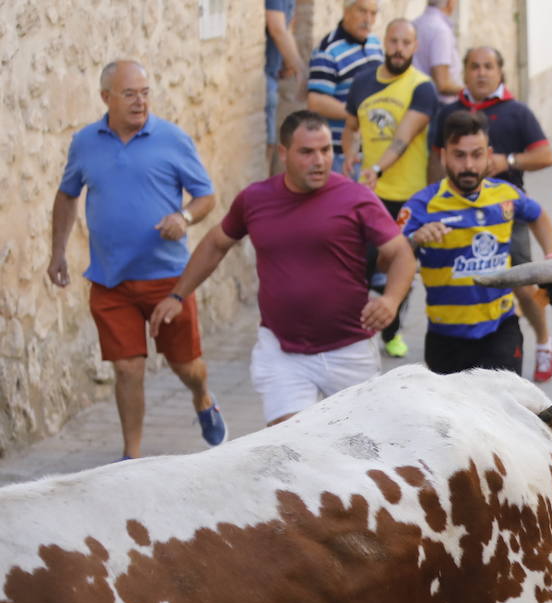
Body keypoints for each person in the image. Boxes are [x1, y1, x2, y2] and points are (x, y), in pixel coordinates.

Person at [153, 111, 415, 426]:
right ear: (283, 153)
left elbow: (400, 253)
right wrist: (178, 296)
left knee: (361, 447)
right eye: (307, 152)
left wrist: (390, 300)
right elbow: (215, 243)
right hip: (282, 350)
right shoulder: (255, 200)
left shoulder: (355, 197)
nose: (319, 160)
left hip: (349, 348)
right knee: (289, 447)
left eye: (326, 150)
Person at [48, 60, 226, 460]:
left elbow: (206, 197)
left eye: (145, 92)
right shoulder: (85, 143)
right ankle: (132, 458)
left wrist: (184, 218)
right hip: (111, 281)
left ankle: (203, 397)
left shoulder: (173, 139)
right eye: (129, 94)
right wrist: (58, 250)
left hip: (169, 280)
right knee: (128, 369)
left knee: (187, 367)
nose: (140, 101)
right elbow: (67, 194)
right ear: (105, 98)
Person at [430, 47, 552, 381]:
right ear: (466, 71)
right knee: (460, 276)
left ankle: (543, 341)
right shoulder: (450, 112)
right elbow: (435, 157)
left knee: (523, 283)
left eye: (489, 66)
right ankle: (469, 337)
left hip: (507, 213)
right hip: (457, 210)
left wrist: (509, 161)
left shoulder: (516, 112)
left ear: (500, 71)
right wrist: (433, 202)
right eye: (475, 67)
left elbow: (545, 155)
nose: (482, 73)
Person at [404, 110, 552, 376]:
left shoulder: (505, 194)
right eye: (459, 155)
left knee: (507, 411)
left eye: (476, 155)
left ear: (488, 155)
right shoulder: (421, 206)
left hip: (500, 329)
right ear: (444, 156)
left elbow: (538, 216)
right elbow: (388, 259)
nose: (468, 165)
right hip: (446, 339)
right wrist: (413, 241)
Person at [342, 18, 437, 359]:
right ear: (385, 42)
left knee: (401, 269)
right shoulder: (363, 82)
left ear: (415, 47)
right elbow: (350, 126)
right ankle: (353, 330)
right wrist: (351, 154)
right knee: (361, 264)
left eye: (406, 43)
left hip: (408, 197)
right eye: (394, 41)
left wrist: (377, 167)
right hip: (371, 195)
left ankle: (392, 331)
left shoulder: (422, 87)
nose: (399, 49)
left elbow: (403, 137)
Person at [307, 0, 382, 173]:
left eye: (373, 13)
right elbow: (316, 102)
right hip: (343, 155)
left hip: (373, 151)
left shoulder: (375, 43)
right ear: (346, 11)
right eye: (362, 11)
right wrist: (359, 114)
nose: (368, 19)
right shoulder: (328, 50)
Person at [266, 0, 306, 170]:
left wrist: (289, 61)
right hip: (265, 80)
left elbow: (287, 29)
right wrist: (302, 71)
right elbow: (277, 27)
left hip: (274, 77)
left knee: (273, 145)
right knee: (266, 147)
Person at [412, 0, 461, 103]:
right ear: (450, 2)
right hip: (436, 106)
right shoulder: (440, 30)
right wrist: (471, 91)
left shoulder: (415, 23)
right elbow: (442, 85)